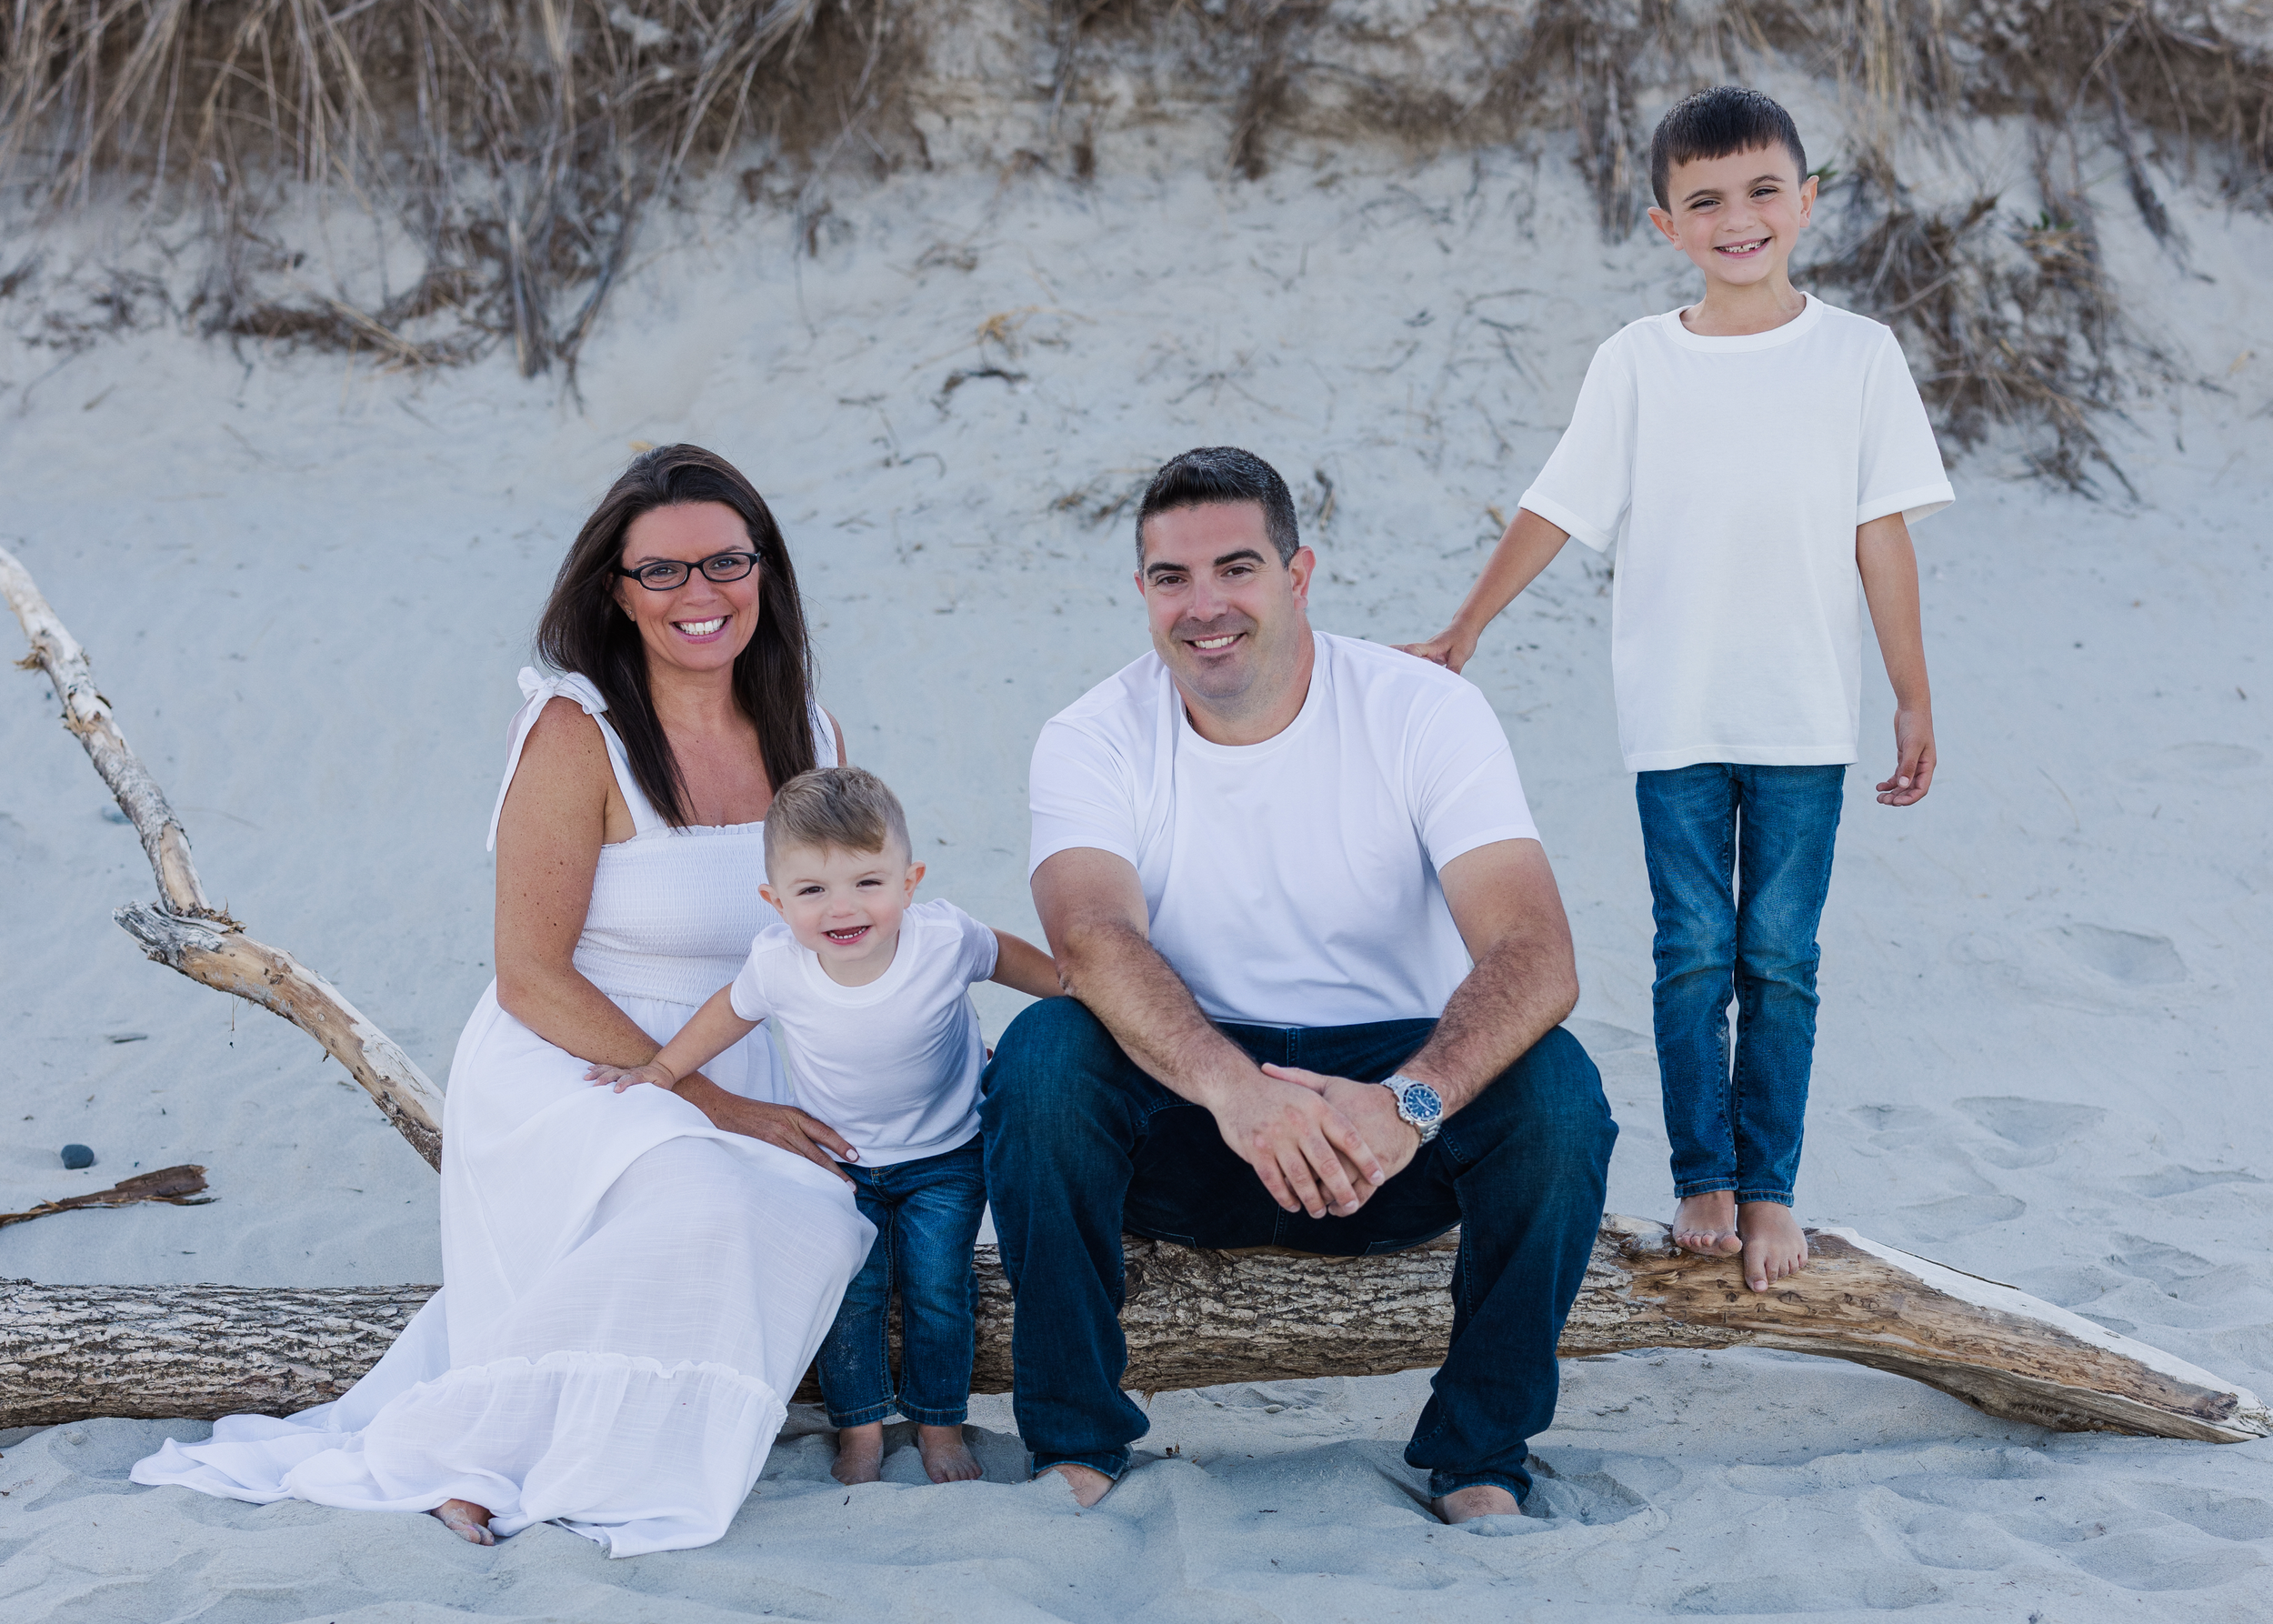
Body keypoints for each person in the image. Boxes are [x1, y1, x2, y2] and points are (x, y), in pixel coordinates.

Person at [134, 445, 877, 1556]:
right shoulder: (580, 732)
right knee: (703, 1203)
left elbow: (834, 932)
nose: (699, 594)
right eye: (661, 572)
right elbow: (531, 973)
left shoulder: (805, 733)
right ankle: (470, 1447)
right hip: (579, 1055)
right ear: (615, 594)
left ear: (763, 570)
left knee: (824, 1212)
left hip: (742, 1047)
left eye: (725, 560)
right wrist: (714, 1107)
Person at [980, 445, 1616, 1525]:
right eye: (1171, 579)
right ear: (1141, 592)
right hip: (1191, 1119)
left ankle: (1478, 1456)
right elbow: (1089, 937)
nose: (1204, 606)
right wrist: (1239, 1093)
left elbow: (1533, 953)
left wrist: (1408, 1104)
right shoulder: (1092, 734)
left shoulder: (1421, 711)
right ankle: (1076, 1440)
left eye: (1236, 568)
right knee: (1044, 1055)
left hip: (1388, 1132)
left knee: (1557, 1093)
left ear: (1297, 573)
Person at [1402, 85, 1951, 1294]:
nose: (1739, 217)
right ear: (1667, 225)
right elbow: (1558, 502)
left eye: (1763, 191)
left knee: (1783, 958)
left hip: (1808, 715)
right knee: (1695, 952)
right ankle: (1703, 1172)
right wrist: (1469, 622)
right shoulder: (1638, 363)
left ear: (1806, 202)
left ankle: (1772, 1189)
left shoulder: (1860, 357)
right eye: (1706, 200)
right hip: (1676, 717)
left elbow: (1883, 542)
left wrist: (1911, 695)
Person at [586, 765, 1061, 1488]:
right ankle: (861, 1430)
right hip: (841, 1165)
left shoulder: (943, 939)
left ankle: (938, 1426)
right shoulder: (777, 965)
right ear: (774, 900)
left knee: (939, 1290)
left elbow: (1009, 958)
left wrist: (1076, 989)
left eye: (869, 882)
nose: (844, 908)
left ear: (910, 880)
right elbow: (725, 1013)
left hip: (949, 1156)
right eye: (812, 891)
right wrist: (662, 1068)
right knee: (855, 1294)